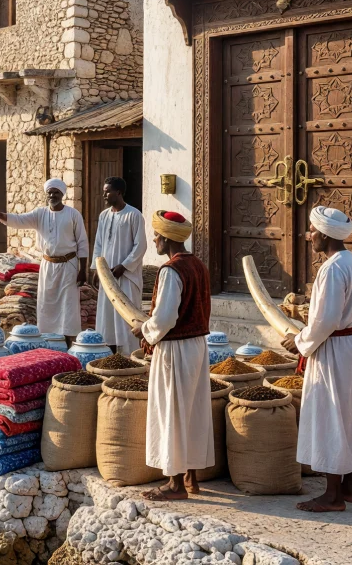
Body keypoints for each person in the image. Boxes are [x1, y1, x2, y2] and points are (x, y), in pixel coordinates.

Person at [282, 207, 352, 513]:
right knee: (351, 414)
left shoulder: (332, 268)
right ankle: (349, 487)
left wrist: (300, 342)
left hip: (334, 348)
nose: (309, 237)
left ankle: (332, 496)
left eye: (311, 231)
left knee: (332, 414)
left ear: (323, 234)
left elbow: (326, 320)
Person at [133, 210, 213, 501]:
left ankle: (175, 484)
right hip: (196, 347)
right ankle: (191, 477)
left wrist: (144, 329)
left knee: (172, 411)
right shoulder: (198, 266)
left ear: (166, 239)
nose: (154, 239)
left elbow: (165, 317)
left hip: (175, 348)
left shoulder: (170, 271)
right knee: (191, 410)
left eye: (156, 235)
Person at [0, 178, 89, 342]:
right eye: (50, 192)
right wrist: (2, 215)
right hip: (48, 266)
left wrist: (82, 270)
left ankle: (69, 343)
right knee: (46, 305)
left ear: (62, 194)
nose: (52, 195)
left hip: (68, 266)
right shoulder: (40, 214)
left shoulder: (73, 214)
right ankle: (48, 342)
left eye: (56, 192)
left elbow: (82, 243)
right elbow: (20, 220)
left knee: (68, 306)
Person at [89, 177, 146, 353]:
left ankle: (130, 357)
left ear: (119, 192)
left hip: (127, 277)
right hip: (108, 277)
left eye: (107, 191)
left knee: (126, 318)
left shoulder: (134, 215)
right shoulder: (104, 216)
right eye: (104, 191)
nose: (104, 194)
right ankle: (109, 355)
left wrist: (124, 266)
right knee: (107, 318)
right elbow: (98, 244)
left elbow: (140, 245)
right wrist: (96, 269)